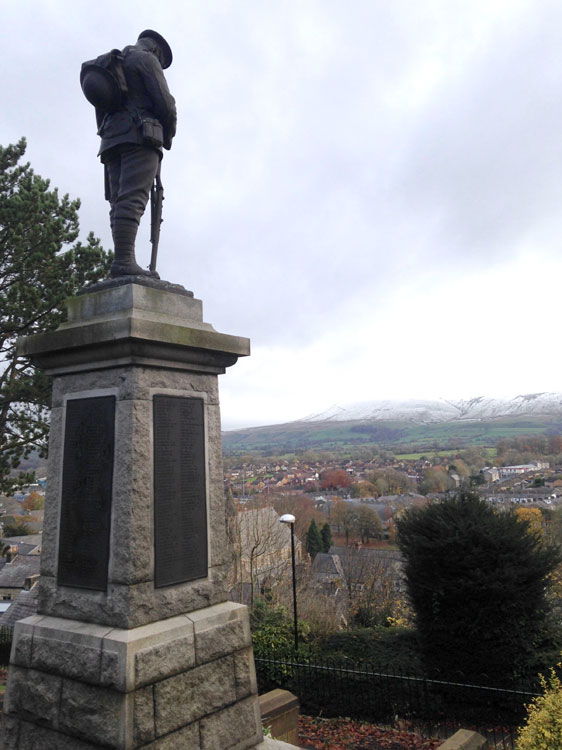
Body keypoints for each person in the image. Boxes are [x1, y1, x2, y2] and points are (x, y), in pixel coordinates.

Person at [95, 30, 177, 277]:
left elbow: (101, 108)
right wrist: (168, 136)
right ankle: (123, 262)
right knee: (132, 200)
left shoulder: (111, 64)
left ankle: (123, 258)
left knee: (118, 201)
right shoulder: (145, 60)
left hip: (111, 140)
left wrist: (107, 134)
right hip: (141, 136)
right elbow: (165, 104)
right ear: (157, 50)